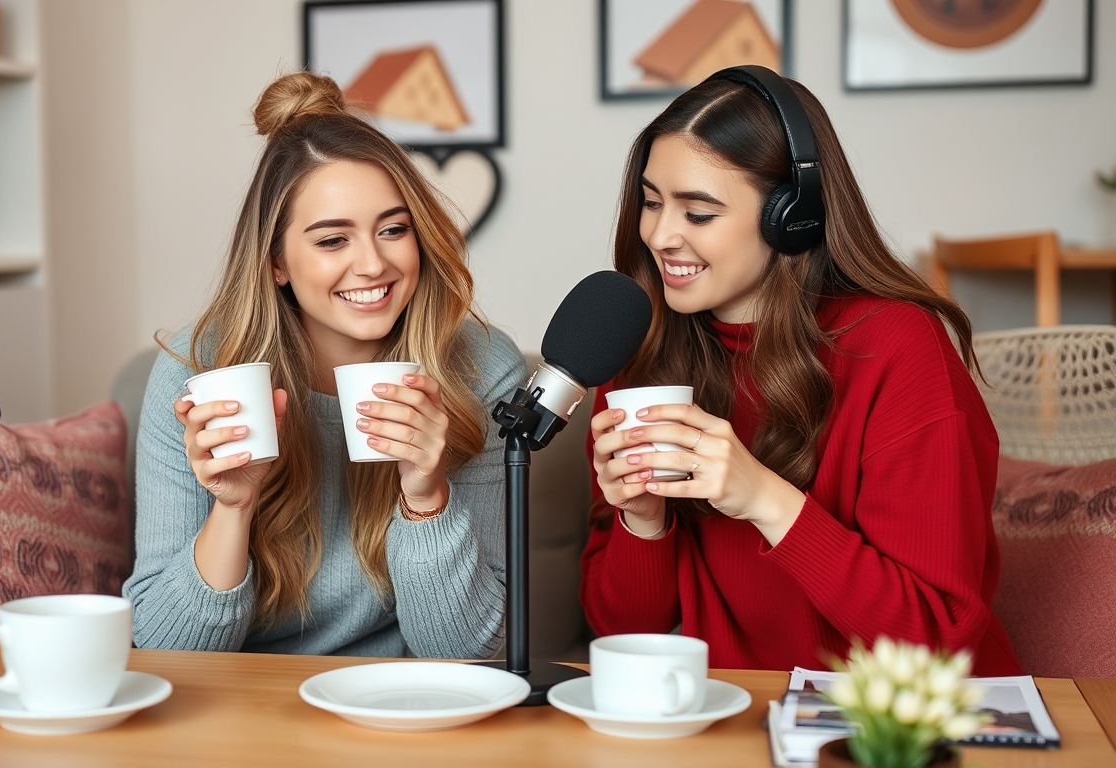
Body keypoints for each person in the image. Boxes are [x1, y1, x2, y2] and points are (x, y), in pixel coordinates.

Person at [579, 67, 1022, 675]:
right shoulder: (642, 353)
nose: (659, 234)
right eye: (651, 203)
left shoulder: (897, 348)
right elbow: (620, 630)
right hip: (740, 717)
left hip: (905, 724)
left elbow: (935, 640)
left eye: (699, 213)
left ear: (792, 218)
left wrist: (761, 496)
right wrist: (642, 519)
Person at [124, 72, 524, 658]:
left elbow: (475, 652)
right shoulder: (198, 371)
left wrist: (425, 494)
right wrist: (233, 510)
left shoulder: (480, 370)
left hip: (401, 709)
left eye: (393, 229)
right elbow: (163, 649)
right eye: (332, 240)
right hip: (249, 711)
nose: (372, 264)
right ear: (277, 262)